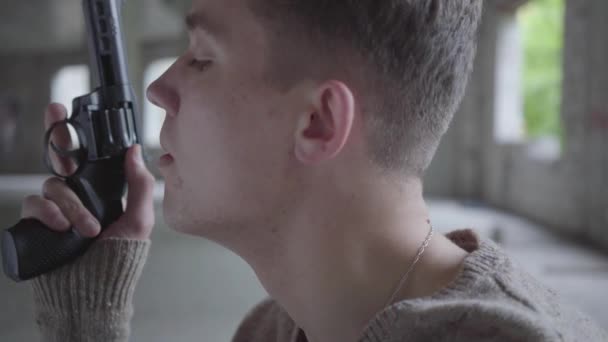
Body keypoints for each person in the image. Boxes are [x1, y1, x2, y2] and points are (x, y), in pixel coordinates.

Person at [19, 0, 607, 341]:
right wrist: (85, 309)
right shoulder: (275, 331)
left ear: (319, 122)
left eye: (201, 57)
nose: (158, 88)